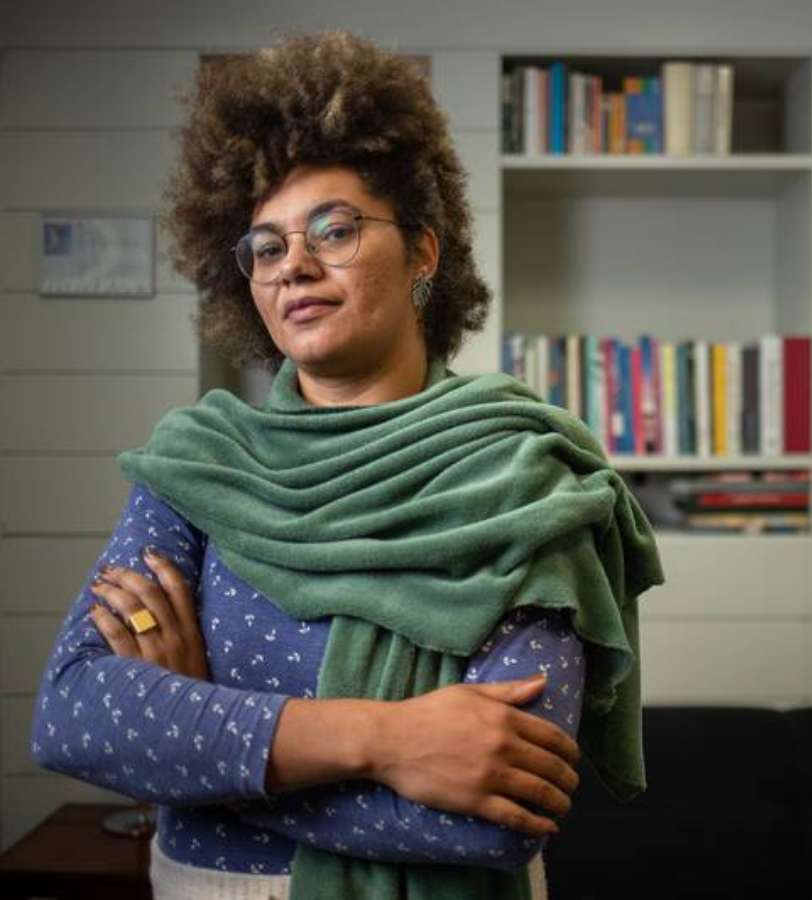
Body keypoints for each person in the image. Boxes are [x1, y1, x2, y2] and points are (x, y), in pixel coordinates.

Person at [31, 30, 663, 900]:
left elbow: (500, 817)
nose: (294, 265)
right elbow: (72, 716)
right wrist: (385, 740)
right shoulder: (200, 467)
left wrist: (202, 745)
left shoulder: (525, 476)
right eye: (265, 247)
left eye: (334, 230)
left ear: (424, 253)